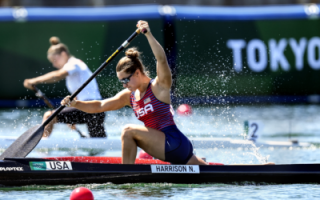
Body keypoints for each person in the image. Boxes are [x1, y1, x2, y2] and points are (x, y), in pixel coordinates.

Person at [24, 36, 106, 138]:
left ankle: (42, 147)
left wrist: (33, 81)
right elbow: (77, 96)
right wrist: (70, 116)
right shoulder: (77, 67)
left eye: (55, 60)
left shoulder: (74, 63)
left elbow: (58, 75)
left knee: (49, 116)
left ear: (63, 54)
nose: (54, 64)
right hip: (96, 110)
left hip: (90, 107)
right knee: (99, 142)